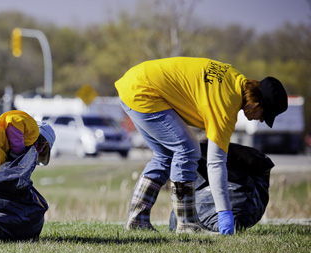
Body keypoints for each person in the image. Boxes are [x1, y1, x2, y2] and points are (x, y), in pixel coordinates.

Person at [115, 57, 288, 235]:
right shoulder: (226, 105)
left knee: (165, 156)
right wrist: (225, 212)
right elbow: (215, 163)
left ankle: (137, 221)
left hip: (134, 83)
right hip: (144, 92)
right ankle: (187, 225)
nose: (260, 120)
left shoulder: (234, 79)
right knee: (187, 150)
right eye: (263, 115)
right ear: (255, 104)